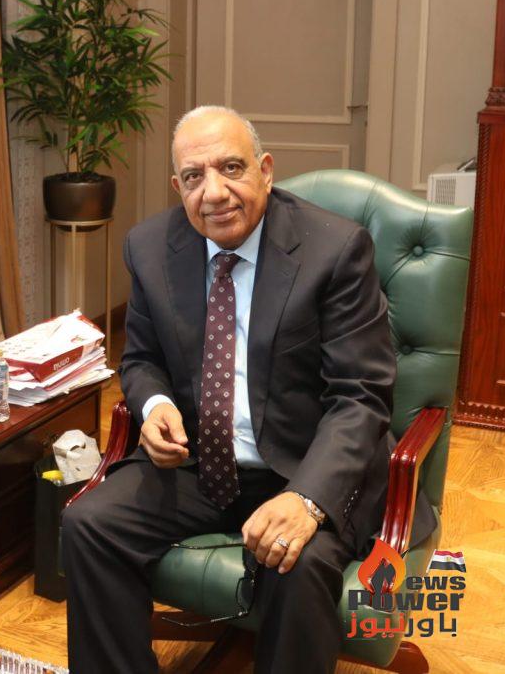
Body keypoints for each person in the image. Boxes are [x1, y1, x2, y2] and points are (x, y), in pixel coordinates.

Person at [61, 106, 434, 673]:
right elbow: (141, 360)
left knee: (298, 564)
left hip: (302, 465)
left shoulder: (335, 250)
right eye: (194, 176)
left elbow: (360, 397)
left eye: (231, 168)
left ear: (265, 170)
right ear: (178, 187)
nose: (213, 192)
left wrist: (307, 500)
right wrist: (155, 405)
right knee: (88, 525)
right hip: (198, 465)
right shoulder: (151, 247)